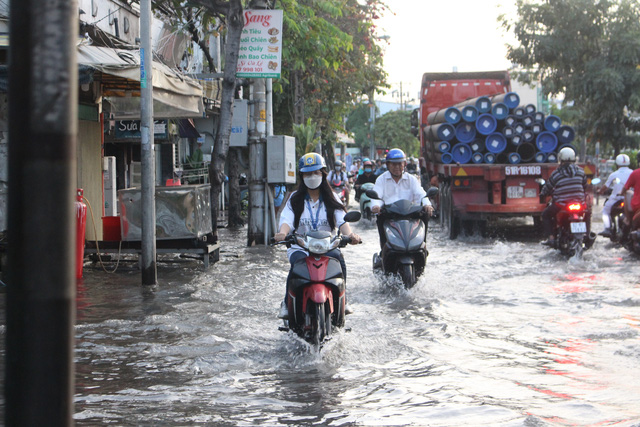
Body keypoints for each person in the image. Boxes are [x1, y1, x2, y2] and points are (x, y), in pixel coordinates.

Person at [274, 153, 361, 319]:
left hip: (327, 246)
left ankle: (343, 298)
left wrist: (350, 235)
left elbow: (342, 221)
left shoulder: (332, 198)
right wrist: (282, 234)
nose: (312, 177)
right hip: (300, 246)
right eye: (308, 174)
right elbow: (287, 220)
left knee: (339, 262)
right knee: (295, 267)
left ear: (323, 174)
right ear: (302, 176)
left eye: (316, 173)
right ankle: (287, 302)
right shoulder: (295, 199)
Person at [371, 148, 434, 249]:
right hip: (389, 214)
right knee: (380, 218)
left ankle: (422, 247)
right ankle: (383, 251)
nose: (397, 167)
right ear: (387, 165)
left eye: (399, 164)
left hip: (410, 215)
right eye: (393, 164)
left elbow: (421, 194)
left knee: (425, 214)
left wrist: (427, 205)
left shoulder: (411, 179)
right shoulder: (381, 179)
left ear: (404, 164)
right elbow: (376, 196)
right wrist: (376, 206)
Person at [540, 147, 588, 246]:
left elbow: (548, 187)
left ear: (560, 159)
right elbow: (585, 186)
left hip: (562, 204)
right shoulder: (581, 171)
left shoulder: (556, 173)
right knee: (587, 213)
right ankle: (587, 234)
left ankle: (551, 238)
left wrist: (542, 194)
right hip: (580, 203)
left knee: (545, 215)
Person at [598, 154, 632, 237]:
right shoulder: (632, 172)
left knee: (605, 211)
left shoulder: (614, 174)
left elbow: (605, 186)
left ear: (617, 163)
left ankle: (607, 228)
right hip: (630, 199)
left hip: (615, 198)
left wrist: (600, 191)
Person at [621, 152, 640, 229]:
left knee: (626, 195)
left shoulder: (635, 173)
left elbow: (625, 188)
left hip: (637, 204)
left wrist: (621, 193)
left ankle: (628, 220)